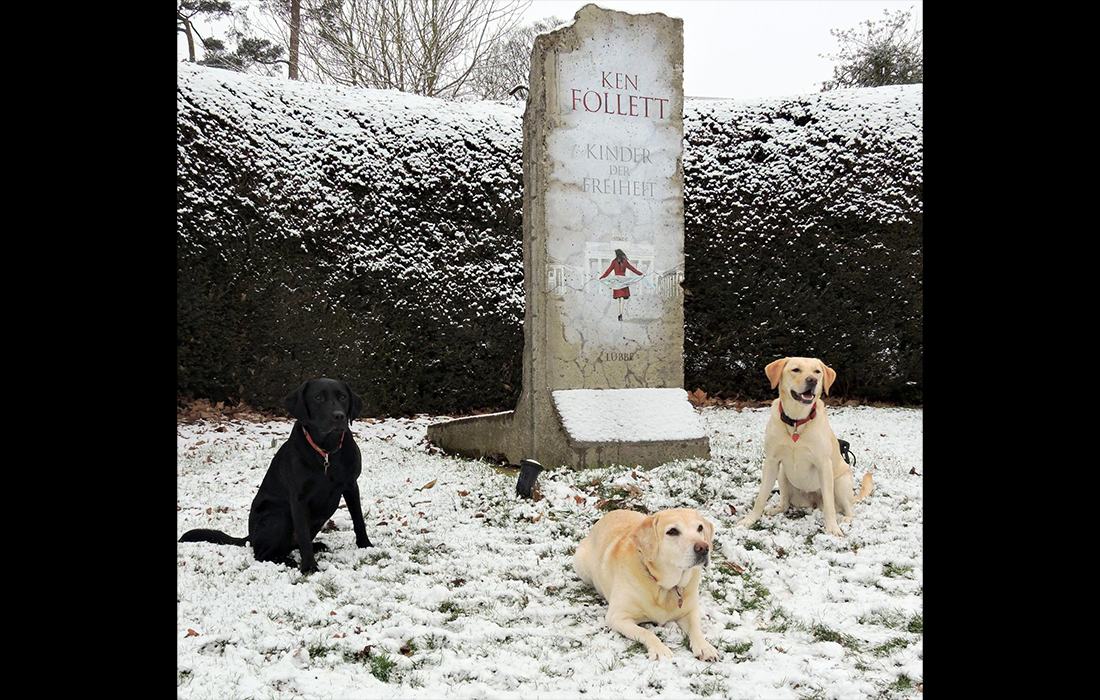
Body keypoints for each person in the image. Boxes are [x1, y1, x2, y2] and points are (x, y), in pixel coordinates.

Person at [599, 249, 644, 321]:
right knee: (622, 298)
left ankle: (619, 313)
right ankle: (621, 313)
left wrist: (602, 277)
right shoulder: (625, 261)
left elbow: (608, 270)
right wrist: (641, 274)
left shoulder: (614, 262)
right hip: (623, 280)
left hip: (617, 281)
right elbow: (633, 269)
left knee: (618, 299)